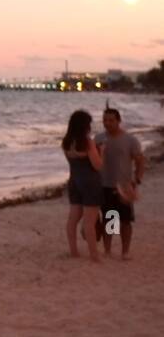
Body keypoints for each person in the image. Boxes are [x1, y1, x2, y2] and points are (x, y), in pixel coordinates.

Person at [95, 107, 146, 260]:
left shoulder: (130, 140)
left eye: (111, 120)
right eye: (105, 120)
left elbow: (140, 161)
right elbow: (92, 161)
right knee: (109, 219)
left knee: (125, 220)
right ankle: (108, 251)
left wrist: (136, 180)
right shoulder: (98, 138)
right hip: (104, 184)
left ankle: (125, 252)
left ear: (118, 121)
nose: (107, 123)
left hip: (124, 186)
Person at [62, 110, 103, 263]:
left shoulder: (66, 142)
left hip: (74, 181)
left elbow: (72, 162)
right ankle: (94, 255)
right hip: (90, 182)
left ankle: (74, 251)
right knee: (89, 221)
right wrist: (102, 152)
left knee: (73, 218)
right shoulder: (87, 142)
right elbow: (97, 165)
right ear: (85, 125)